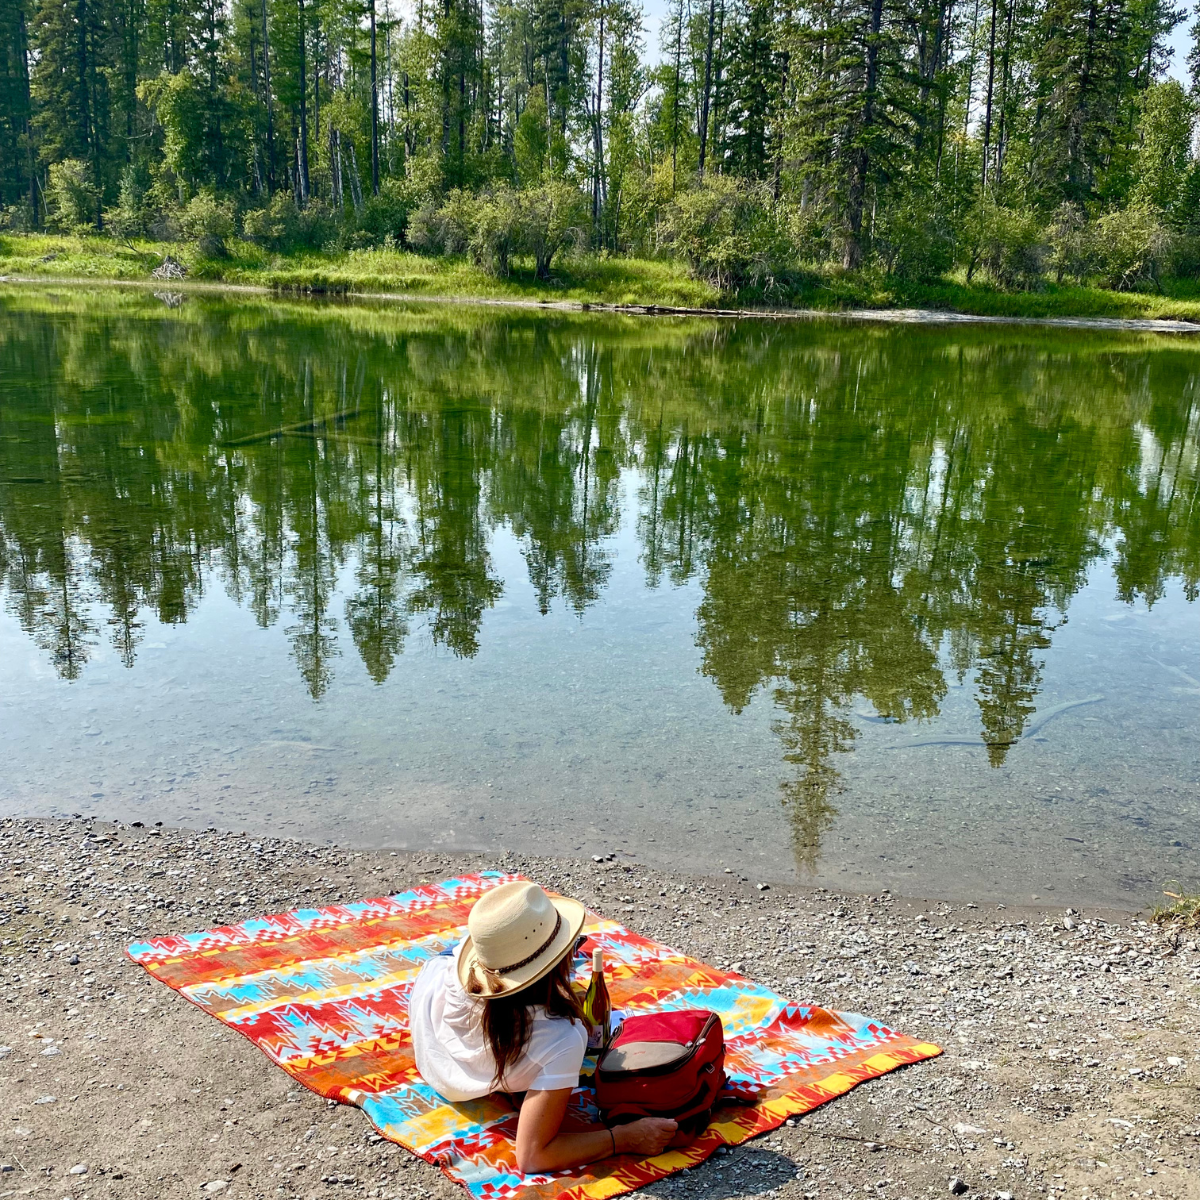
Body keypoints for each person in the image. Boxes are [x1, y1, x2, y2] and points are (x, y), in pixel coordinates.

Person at [410, 879, 677, 1175]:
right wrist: (624, 1139)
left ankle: (532, 957)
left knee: (501, 945)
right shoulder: (560, 1038)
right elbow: (533, 1156)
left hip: (432, 1024)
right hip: (465, 1068)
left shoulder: (463, 969)